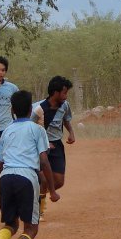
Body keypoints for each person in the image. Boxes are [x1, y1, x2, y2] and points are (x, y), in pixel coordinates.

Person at [0, 90, 59, 239]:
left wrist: (9, 180)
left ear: (12, 110)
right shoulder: (37, 129)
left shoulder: (7, 131)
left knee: (10, 223)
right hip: (26, 177)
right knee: (31, 228)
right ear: (30, 109)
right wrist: (51, 190)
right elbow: (44, 161)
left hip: (6, 177)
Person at [30, 75, 76, 218]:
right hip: (41, 147)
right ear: (55, 93)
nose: (66, 96)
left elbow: (66, 120)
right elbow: (29, 127)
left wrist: (71, 133)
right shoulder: (39, 109)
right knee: (44, 179)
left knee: (59, 181)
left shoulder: (65, 106)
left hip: (57, 145)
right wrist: (42, 143)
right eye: (64, 93)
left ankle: (34, 197)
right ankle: (38, 210)